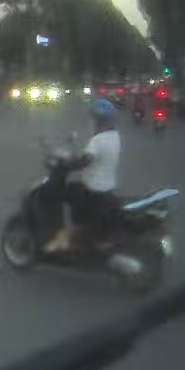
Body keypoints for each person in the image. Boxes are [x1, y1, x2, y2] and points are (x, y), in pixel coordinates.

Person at [45, 98, 121, 253]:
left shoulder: (97, 140)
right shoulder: (115, 136)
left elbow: (82, 162)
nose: (91, 122)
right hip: (107, 188)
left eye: (93, 118)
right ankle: (79, 232)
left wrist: (64, 162)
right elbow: (90, 158)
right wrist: (71, 157)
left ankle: (69, 233)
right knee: (75, 189)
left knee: (64, 193)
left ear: (99, 120)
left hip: (94, 190)